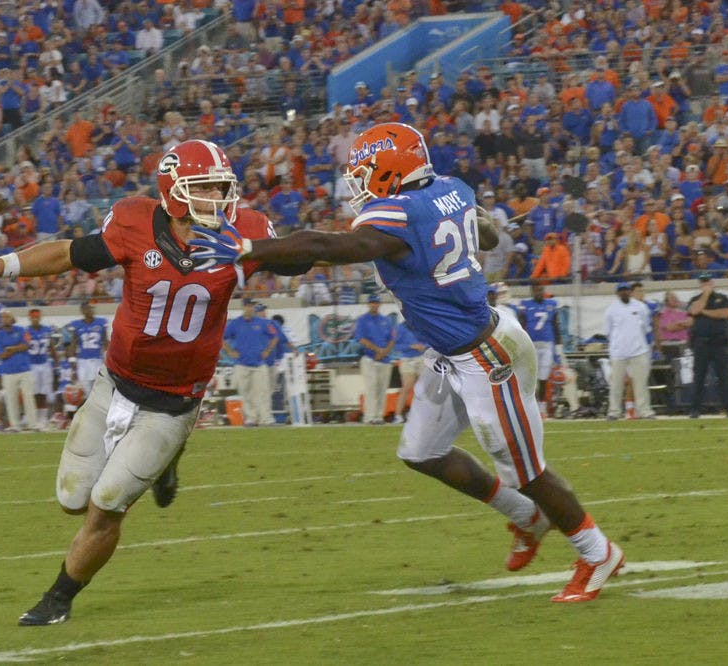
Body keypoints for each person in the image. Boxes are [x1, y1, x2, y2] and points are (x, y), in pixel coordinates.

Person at [189, 122, 623, 602]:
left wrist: (250, 248)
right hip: (452, 350)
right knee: (422, 452)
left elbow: (328, 248)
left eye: (365, 173)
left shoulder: (397, 213)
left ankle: (597, 551)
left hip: (485, 354)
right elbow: (488, 233)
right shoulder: (452, 188)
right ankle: (528, 517)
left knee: (527, 471)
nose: (358, 184)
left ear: (390, 170)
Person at [0, 139, 308, 625]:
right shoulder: (134, 222)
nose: (220, 200)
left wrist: (376, 250)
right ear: (175, 192)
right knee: (71, 500)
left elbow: (307, 254)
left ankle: (58, 600)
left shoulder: (242, 233)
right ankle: (166, 465)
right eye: (205, 189)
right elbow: (70, 254)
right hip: (114, 384)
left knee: (106, 505)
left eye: (222, 188)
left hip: (174, 403)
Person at [222, 298, 278, 427]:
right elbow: (221, 338)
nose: (250, 308)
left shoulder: (262, 322)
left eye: (252, 306)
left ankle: (266, 419)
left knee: (263, 392)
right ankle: (251, 419)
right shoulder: (235, 323)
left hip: (259, 364)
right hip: (242, 364)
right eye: (248, 306)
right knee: (245, 393)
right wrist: (230, 352)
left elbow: (274, 336)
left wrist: (268, 350)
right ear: (243, 307)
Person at [604, 283, 655, 420]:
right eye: (621, 291)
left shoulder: (640, 307)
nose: (624, 293)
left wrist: (648, 346)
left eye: (626, 290)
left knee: (641, 384)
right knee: (616, 384)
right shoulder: (611, 310)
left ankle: (645, 411)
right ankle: (614, 412)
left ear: (630, 292)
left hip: (639, 351)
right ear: (617, 293)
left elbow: (646, 328)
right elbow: (608, 332)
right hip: (618, 352)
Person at [687, 273, 728, 418]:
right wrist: (705, 296)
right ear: (700, 285)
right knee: (699, 377)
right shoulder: (695, 299)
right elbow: (694, 310)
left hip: (719, 343)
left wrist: (704, 311)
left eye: (708, 282)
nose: (706, 284)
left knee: (724, 377)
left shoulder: (723, 298)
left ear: (712, 282)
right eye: (703, 282)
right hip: (701, 343)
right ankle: (695, 409)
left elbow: (724, 314)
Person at [519, 282, 563, 419]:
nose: (539, 292)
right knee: (530, 379)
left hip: (547, 346)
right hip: (531, 345)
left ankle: (542, 409)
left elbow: (556, 327)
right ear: (531, 291)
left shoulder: (551, 304)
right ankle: (529, 408)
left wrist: (559, 349)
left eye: (541, 290)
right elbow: (520, 327)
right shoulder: (525, 305)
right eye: (537, 290)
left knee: (543, 378)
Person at [353, 293, 397, 424]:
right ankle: (370, 417)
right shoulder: (362, 320)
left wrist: (384, 352)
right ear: (368, 304)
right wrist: (378, 350)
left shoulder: (386, 320)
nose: (374, 305)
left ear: (379, 304)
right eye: (372, 302)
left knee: (382, 389)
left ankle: (379, 416)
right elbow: (361, 339)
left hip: (385, 359)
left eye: (376, 302)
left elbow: (392, 339)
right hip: (369, 358)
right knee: (371, 389)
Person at [0, 308, 38, 432]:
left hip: (24, 368)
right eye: (2, 317)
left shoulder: (21, 330)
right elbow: (1, 355)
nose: (4, 319)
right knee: (11, 399)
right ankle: (15, 425)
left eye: (6, 317)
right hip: (8, 371)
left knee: (28, 397)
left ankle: (33, 424)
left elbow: (26, 345)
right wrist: (17, 348)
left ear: (12, 318)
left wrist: (11, 349)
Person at [65, 301, 108, 397]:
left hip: (97, 360)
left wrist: (108, 358)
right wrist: (73, 365)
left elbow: (105, 342)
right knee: (85, 391)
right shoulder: (76, 325)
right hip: (83, 362)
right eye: (88, 308)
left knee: (99, 389)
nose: (91, 310)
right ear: (83, 310)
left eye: (92, 308)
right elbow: (73, 345)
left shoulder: (101, 322)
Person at [27, 308, 57, 427]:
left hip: (44, 364)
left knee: (44, 392)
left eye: (37, 317)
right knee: (35, 393)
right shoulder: (27, 331)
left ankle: (43, 418)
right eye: (33, 317)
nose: (35, 319)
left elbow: (51, 347)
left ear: (40, 317)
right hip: (32, 365)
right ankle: (35, 417)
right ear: (30, 318)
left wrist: (56, 360)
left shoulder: (46, 329)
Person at [392, 321, 427, 424]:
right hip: (407, 359)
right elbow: (395, 345)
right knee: (407, 386)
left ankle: (420, 414)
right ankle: (398, 415)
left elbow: (431, 340)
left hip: (421, 358)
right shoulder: (399, 327)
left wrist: (424, 346)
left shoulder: (422, 324)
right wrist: (410, 346)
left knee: (424, 388)